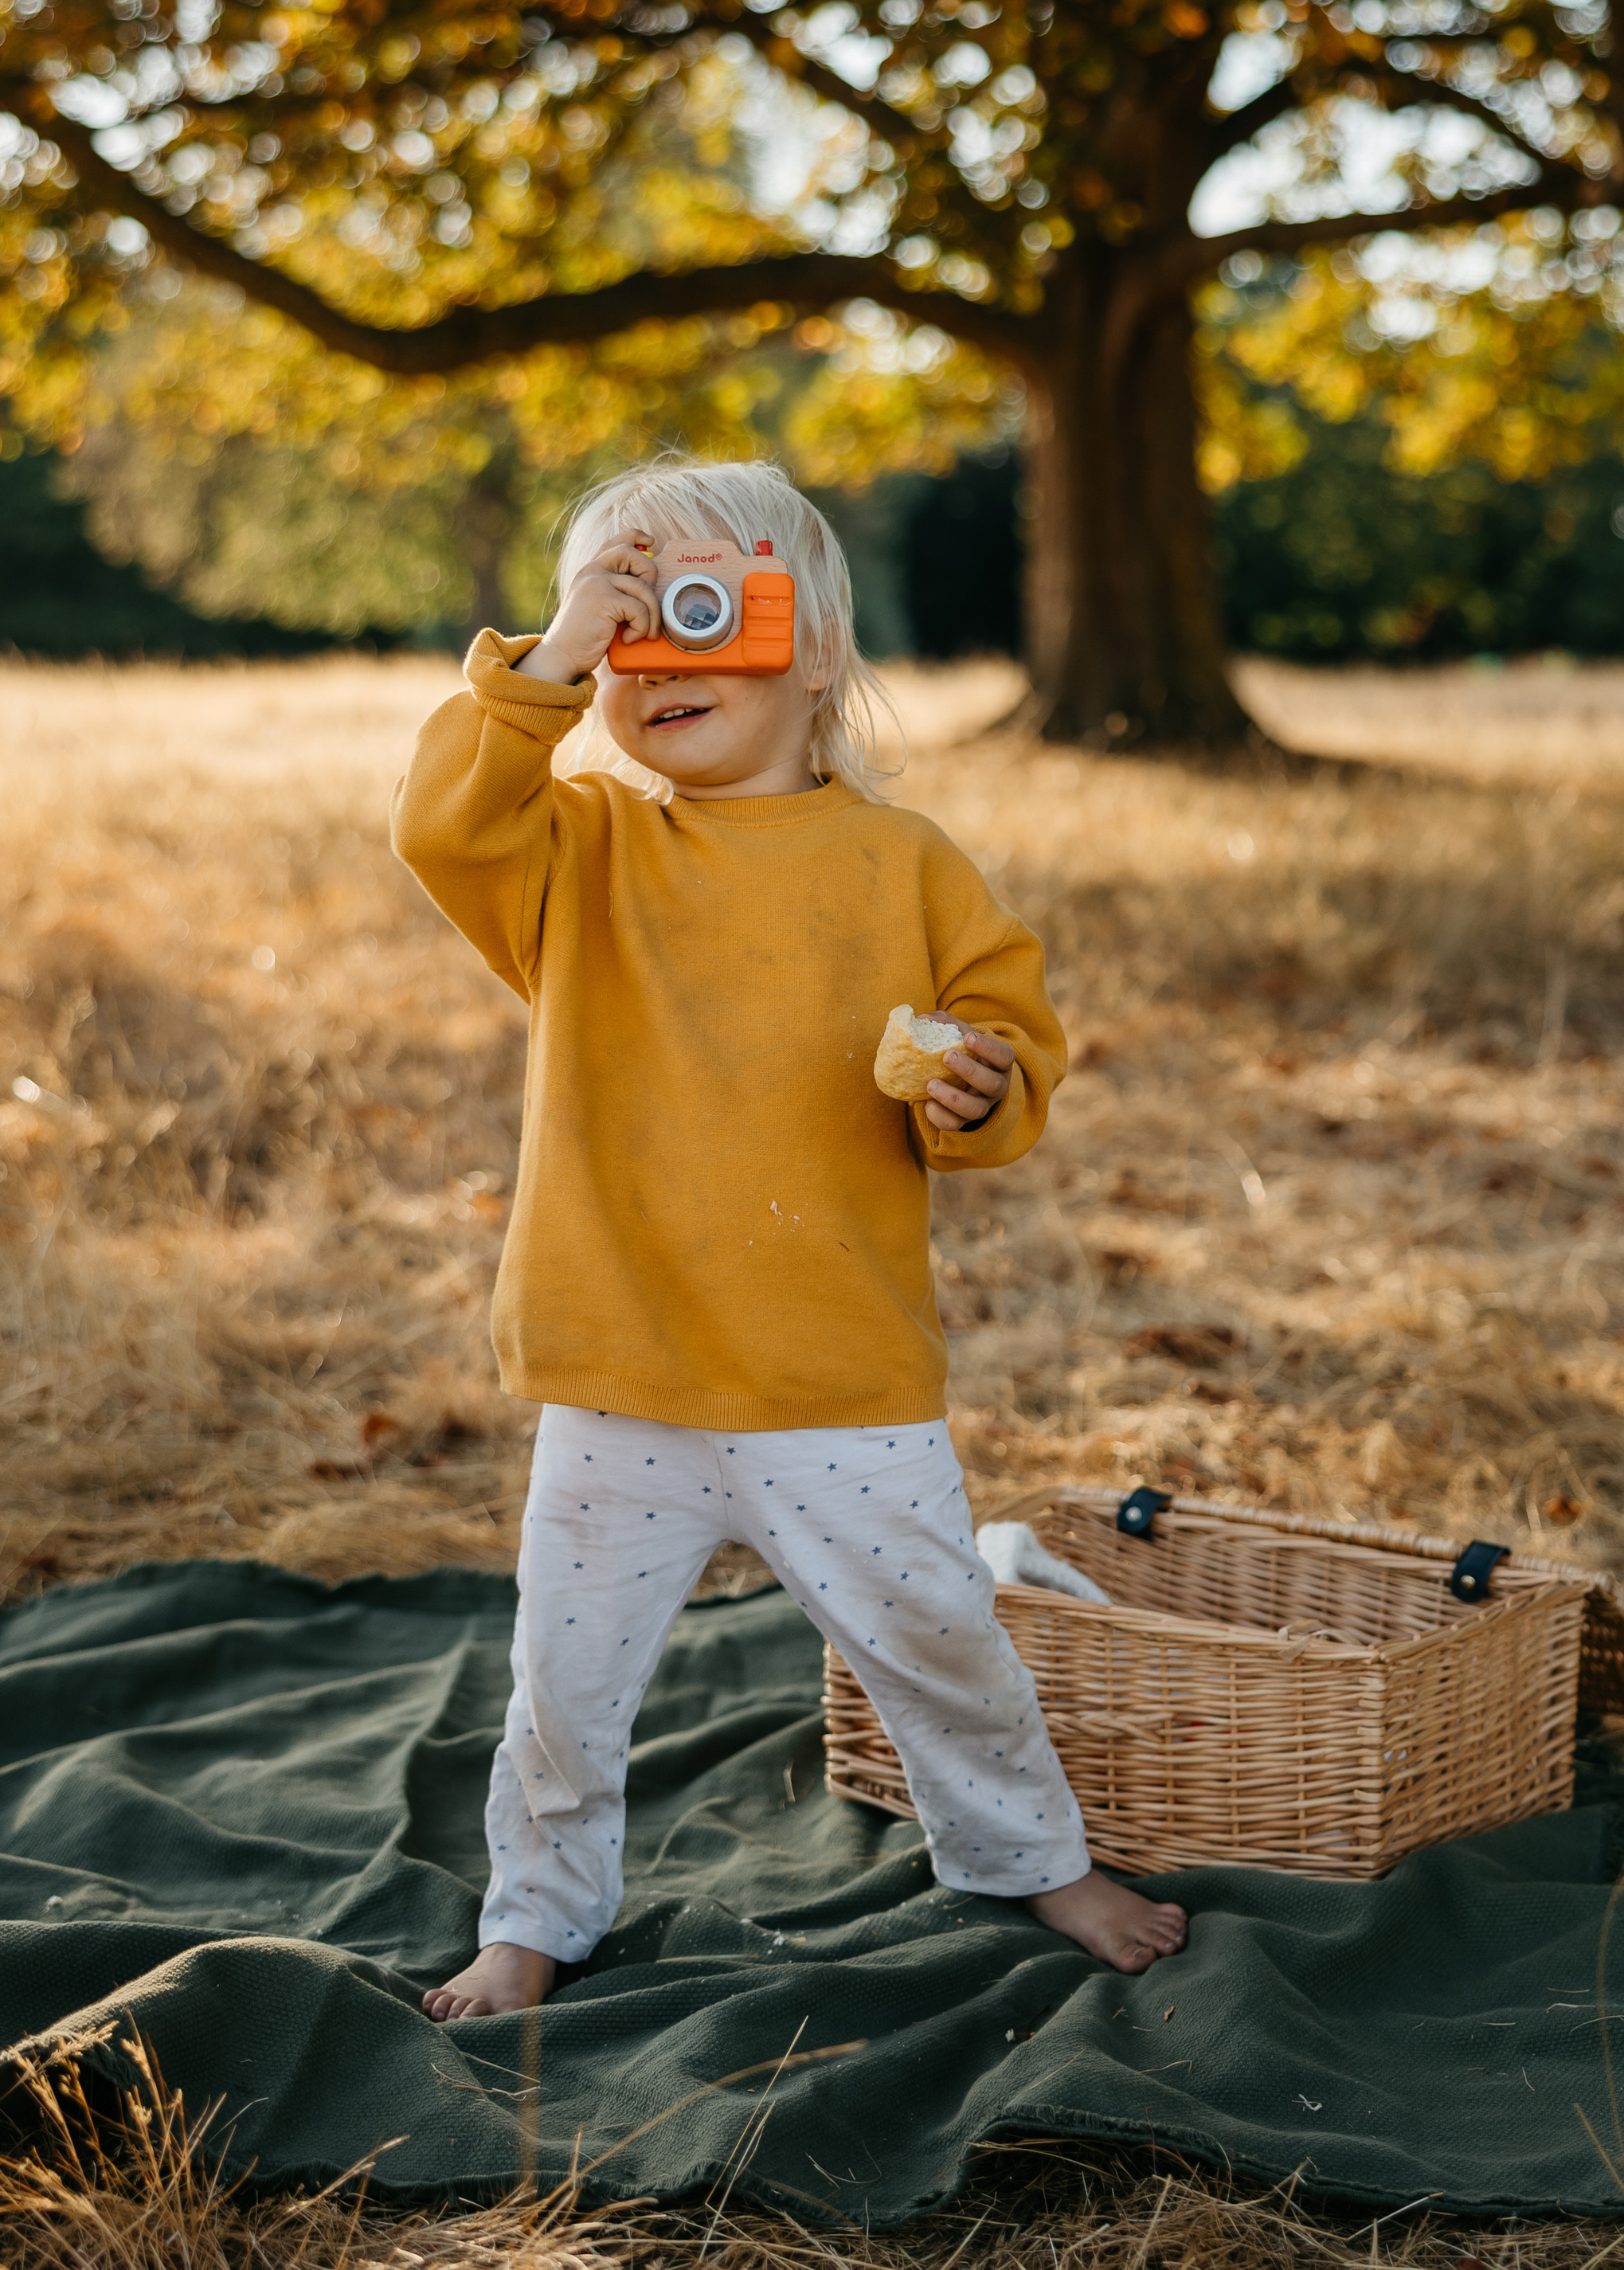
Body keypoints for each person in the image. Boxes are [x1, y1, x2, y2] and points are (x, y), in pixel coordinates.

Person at [392, 457, 1187, 2018]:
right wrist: (551, 654)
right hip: (616, 1381)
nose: (662, 656)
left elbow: (1013, 1052)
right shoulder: (578, 859)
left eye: (710, 609)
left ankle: (1032, 1859)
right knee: (561, 1693)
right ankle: (535, 1913)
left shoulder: (905, 867)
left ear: (813, 647)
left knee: (941, 1646)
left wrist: (974, 1084)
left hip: (836, 1377)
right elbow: (442, 821)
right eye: (631, 627)